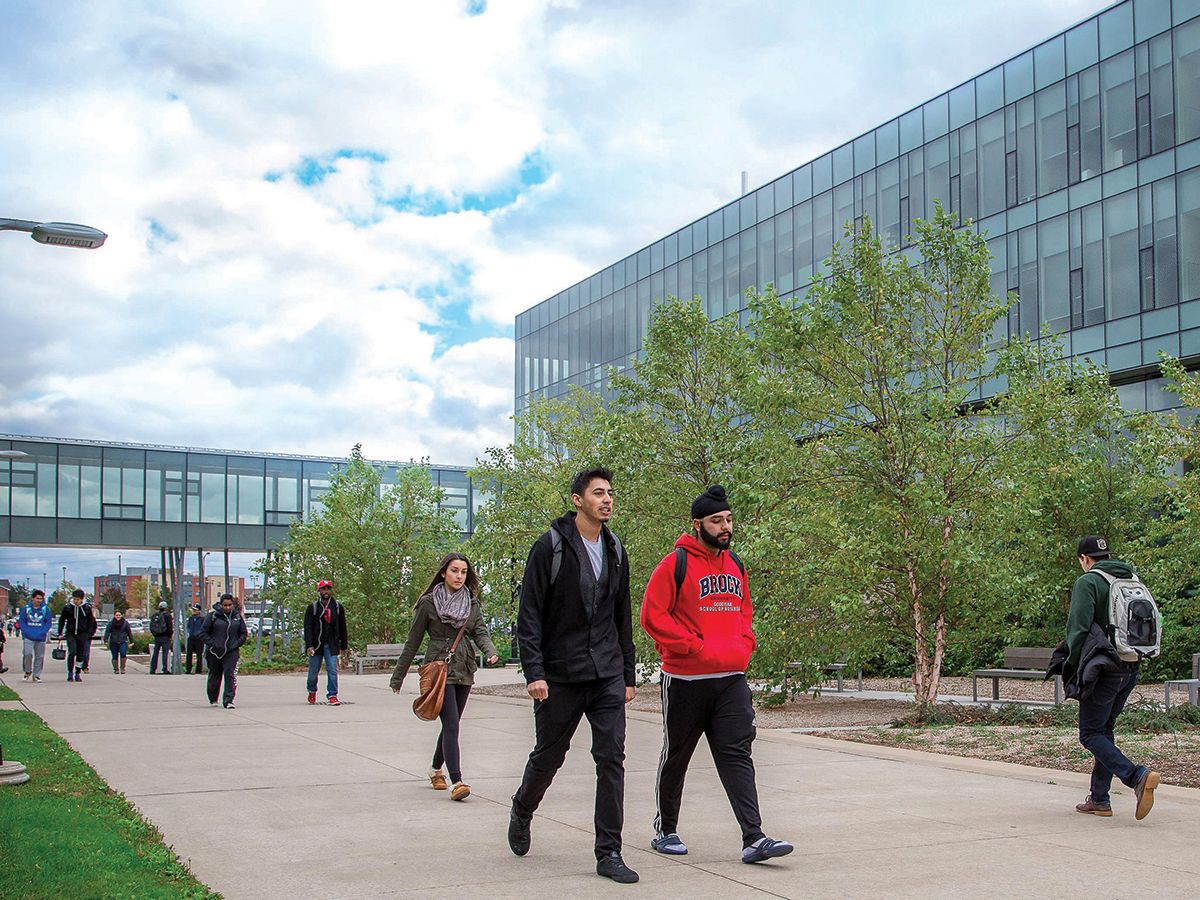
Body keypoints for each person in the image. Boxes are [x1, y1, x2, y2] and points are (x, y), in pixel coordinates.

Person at [640, 485, 793, 864]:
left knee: (737, 754)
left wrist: (745, 644)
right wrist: (691, 646)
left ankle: (754, 837)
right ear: (698, 524)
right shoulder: (673, 564)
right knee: (677, 755)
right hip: (686, 682)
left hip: (730, 681)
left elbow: (745, 612)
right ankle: (666, 830)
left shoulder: (736, 565)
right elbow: (652, 617)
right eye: (716, 521)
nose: (725, 527)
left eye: (728, 520)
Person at [509, 467, 639, 884]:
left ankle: (609, 852)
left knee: (611, 758)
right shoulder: (550, 547)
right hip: (560, 675)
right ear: (577, 500)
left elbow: (622, 617)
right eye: (598, 493)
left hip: (605, 674)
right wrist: (535, 672)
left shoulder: (616, 549)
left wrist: (628, 673)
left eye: (610, 494)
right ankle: (523, 808)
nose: (607, 500)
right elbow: (528, 615)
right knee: (549, 756)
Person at [390, 554, 499, 801]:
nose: (459, 576)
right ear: (443, 573)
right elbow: (413, 641)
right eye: (454, 571)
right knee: (451, 723)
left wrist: (490, 651)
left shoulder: (472, 603)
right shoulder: (428, 603)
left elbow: (479, 631)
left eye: (463, 572)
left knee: (453, 723)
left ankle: (435, 768)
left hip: (464, 667)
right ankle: (457, 781)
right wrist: (398, 677)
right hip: (438, 668)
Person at [1069, 536, 1161, 820]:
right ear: (1106, 555)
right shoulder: (1132, 578)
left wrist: (1072, 665)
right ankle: (1100, 800)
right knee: (1104, 731)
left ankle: (1136, 776)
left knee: (1090, 733)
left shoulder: (1089, 582)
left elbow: (1079, 628)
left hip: (1103, 668)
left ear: (1085, 558)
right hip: (1131, 665)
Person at [303, 579, 349, 705]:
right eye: (324, 589)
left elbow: (343, 627)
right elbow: (308, 628)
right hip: (316, 644)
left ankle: (332, 694)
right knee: (313, 671)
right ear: (319, 590)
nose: (326, 591)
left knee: (332, 669)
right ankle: (312, 691)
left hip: (331, 644)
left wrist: (343, 645)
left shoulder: (338, 607)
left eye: (328, 589)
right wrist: (309, 645)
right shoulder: (312, 608)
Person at [202, 593, 247, 708]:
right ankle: (213, 698)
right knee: (214, 675)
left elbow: (243, 633)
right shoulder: (213, 616)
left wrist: (236, 644)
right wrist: (213, 644)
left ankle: (228, 700)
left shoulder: (237, 617)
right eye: (225, 605)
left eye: (229, 605)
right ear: (221, 605)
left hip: (231, 652)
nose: (227, 607)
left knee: (230, 675)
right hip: (214, 652)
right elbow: (203, 633)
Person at [57, 588, 98, 682]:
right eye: (75, 599)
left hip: (82, 634)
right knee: (72, 652)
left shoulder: (87, 608)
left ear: (82, 599)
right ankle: (70, 672)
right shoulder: (68, 608)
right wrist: (60, 632)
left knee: (80, 655)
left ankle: (78, 672)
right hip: (71, 633)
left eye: (78, 599)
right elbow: (62, 620)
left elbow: (91, 621)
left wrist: (88, 633)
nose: (76, 601)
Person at [18, 589, 53, 682]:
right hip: (28, 636)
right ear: (33, 598)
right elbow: (21, 622)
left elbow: (48, 623)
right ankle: (27, 671)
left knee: (39, 656)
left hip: (40, 637)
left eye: (41, 599)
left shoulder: (46, 609)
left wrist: (43, 632)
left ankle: (36, 675)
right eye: (37, 598)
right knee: (27, 654)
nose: (39, 600)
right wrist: (26, 631)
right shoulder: (26, 609)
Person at [149, 600, 174, 674]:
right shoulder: (167, 615)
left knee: (155, 653)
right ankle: (165, 669)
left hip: (157, 637)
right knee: (165, 653)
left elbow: (151, 626)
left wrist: (155, 634)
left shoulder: (155, 615)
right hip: (165, 636)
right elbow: (169, 627)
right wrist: (170, 635)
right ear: (166, 607)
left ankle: (152, 669)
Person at [184, 603, 206, 674]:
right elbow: (188, 627)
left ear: (199, 611)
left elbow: (203, 628)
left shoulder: (202, 619)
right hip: (191, 638)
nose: (193, 611)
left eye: (195, 610)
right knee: (189, 654)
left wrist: (200, 635)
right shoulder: (191, 618)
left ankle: (198, 670)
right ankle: (188, 669)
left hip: (199, 639)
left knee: (199, 655)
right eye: (193, 610)